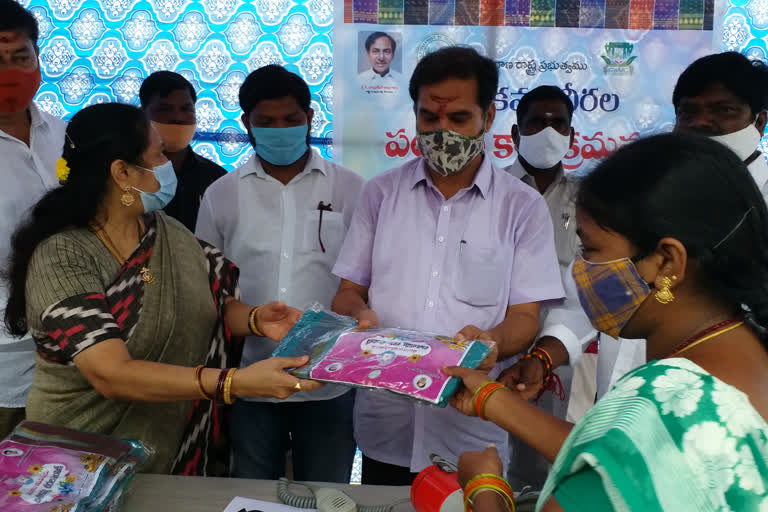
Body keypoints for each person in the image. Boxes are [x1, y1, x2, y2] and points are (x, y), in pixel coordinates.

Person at [448, 133, 768, 511]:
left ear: (666, 262)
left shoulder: (666, 399)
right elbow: (626, 454)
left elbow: (638, 451)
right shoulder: (743, 348)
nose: (580, 270)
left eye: (591, 250)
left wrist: (485, 486)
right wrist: (489, 397)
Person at [3, 102, 322, 475]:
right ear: (122, 171)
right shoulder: (63, 256)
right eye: (159, 154)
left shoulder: (166, 233)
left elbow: (209, 301)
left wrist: (255, 319)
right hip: (76, 462)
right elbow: (110, 373)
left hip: (167, 459)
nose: (169, 163)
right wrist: (233, 383)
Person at [331, 46, 564, 485]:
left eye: (458, 119)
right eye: (429, 118)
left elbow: (525, 318)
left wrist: (493, 341)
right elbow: (348, 291)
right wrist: (358, 318)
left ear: (489, 117)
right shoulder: (380, 195)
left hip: (471, 432)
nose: (442, 132)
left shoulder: (522, 207)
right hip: (386, 424)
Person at [195, 65, 363, 483]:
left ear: (310, 117)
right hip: (250, 375)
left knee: (327, 491)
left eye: (291, 120)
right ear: (245, 125)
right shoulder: (222, 194)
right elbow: (207, 284)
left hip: (330, 378)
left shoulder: (351, 188)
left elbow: (363, 275)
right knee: (253, 487)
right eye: (266, 123)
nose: (281, 130)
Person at [0, 0, 66, 439]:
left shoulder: (65, 136)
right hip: (3, 352)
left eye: (19, 57)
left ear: (38, 56)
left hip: (71, 342)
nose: (9, 71)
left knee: (55, 475)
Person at [674, 51, 768, 202]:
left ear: (759, 122)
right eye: (688, 112)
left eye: (724, 110)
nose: (699, 122)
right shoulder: (652, 191)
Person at [139, 71, 226, 232]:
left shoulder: (216, 178)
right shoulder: (126, 175)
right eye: (165, 109)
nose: (177, 117)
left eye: (186, 109)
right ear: (142, 113)